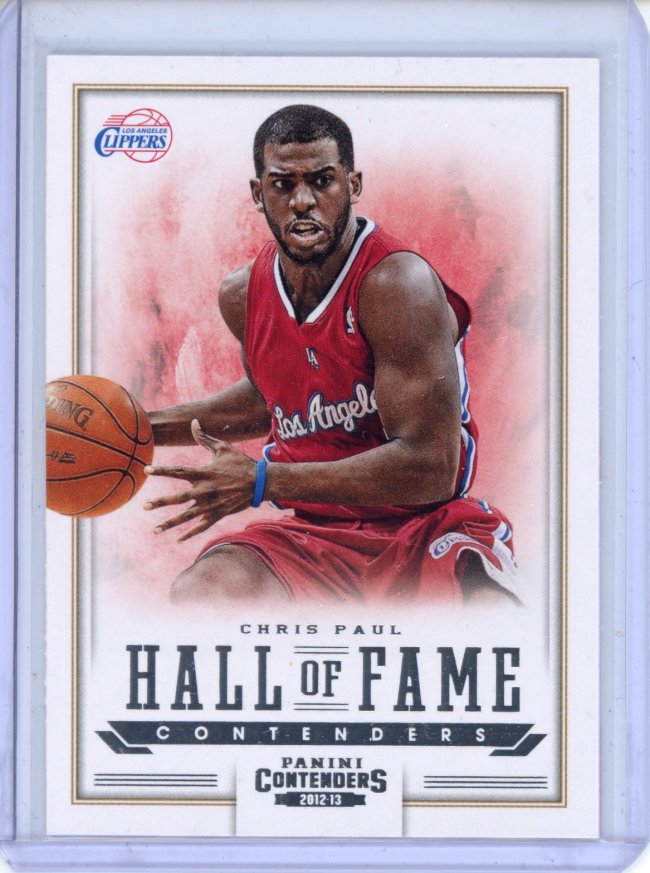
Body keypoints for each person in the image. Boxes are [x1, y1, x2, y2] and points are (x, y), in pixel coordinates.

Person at [144, 104, 520, 606]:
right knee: (202, 595)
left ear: (352, 184)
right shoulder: (243, 295)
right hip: (314, 533)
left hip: (423, 527)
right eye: (283, 185)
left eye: (322, 181)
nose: (303, 201)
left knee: (491, 625)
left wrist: (262, 480)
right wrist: (137, 430)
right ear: (258, 194)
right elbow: (271, 398)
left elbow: (430, 467)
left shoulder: (397, 284)